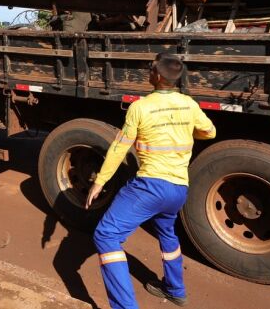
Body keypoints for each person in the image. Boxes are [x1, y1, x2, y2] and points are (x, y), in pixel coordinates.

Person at [86, 53, 216, 308]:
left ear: (157, 76)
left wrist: (99, 181)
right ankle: (175, 290)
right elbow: (210, 131)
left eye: (150, 69)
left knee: (105, 235)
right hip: (178, 189)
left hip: (150, 187)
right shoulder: (188, 104)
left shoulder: (141, 107)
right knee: (167, 232)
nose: (147, 72)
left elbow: (119, 148)